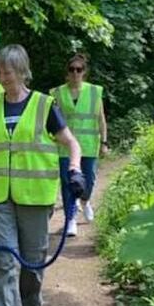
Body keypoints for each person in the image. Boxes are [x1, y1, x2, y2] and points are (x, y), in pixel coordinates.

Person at [0, 44, 85, 306]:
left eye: (8, 72)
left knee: (32, 264)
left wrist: (75, 169)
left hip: (35, 197)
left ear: (22, 71)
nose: (2, 78)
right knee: (4, 262)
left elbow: (71, 143)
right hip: (0, 198)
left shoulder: (43, 106)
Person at [50, 54, 109, 237]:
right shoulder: (57, 93)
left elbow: (101, 119)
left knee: (89, 180)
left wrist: (105, 142)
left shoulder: (94, 92)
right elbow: (52, 121)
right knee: (68, 183)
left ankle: (85, 200)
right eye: (72, 69)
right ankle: (70, 219)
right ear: (67, 73)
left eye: (79, 69)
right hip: (65, 147)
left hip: (89, 145)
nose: (75, 73)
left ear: (84, 72)